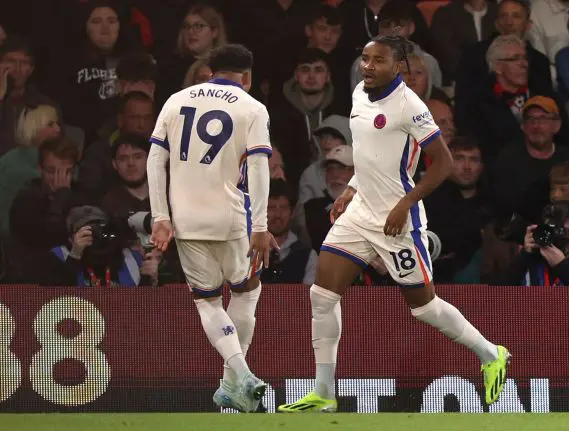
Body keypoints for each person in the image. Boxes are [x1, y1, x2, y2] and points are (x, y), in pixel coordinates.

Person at [277, 35, 510, 414]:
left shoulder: (409, 106)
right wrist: (351, 189)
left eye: (378, 60)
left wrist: (405, 204)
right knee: (321, 295)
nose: (367, 66)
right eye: (365, 58)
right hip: (360, 213)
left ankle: (491, 353)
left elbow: (445, 163)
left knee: (425, 308)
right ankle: (323, 391)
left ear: (398, 66)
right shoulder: (358, 93)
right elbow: (370, 156)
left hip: (396, 221)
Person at [147, 44, 276, 413]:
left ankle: (235, 378)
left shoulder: (176, 100)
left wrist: (160, 216)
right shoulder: (252, 108)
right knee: (247, 292)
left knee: (207, 301)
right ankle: (237, 379)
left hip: (185, 219)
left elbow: (156, 159)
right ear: (246, 77)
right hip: (231, 217)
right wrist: (261, 225)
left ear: (208, 70)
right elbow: (258, 168)